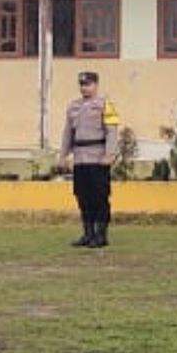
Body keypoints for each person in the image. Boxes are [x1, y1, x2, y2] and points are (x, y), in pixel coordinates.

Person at [57, 70, 119, 249]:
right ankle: (88, 233)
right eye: (82, 85)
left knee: (99, 197)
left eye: (88, 84)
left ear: (96, 85)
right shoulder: (73, 106)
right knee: (82, 197)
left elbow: (112, 132)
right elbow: (68, 133)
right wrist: (63, 155)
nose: (84, 88)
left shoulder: (106, 105)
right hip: (80, 159)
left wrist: (110, 154)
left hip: (98, 158)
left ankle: (101, 235)